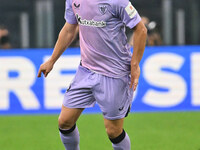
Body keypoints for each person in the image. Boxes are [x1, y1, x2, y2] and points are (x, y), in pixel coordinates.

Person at [37, 0, 147, 149]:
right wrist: (52, 60)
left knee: (113, 131)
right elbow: (70, 29)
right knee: (64, 122)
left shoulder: (118, 2)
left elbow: (141, 29)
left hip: (114, 73)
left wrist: (135, 65)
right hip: (86, 70)